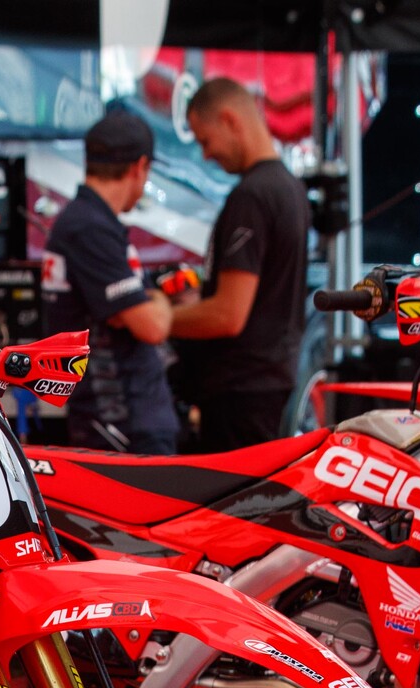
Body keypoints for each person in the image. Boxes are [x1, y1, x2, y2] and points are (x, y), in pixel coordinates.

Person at [171, 77, 309, 452]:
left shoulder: (253, 196)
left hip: (241, 390)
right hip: (267, 380)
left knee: (233, 507)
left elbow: (229, 314)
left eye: (204, 140)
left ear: (230, 121)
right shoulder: (290, 189)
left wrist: (159, 318)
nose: (206, 155)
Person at [41, 104, 176, 454]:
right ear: (139, 167)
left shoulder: (94, 222)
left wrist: (144, 302)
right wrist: (157, 298)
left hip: (125, 416)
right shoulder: (89, 228)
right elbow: (151, 326)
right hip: (120, 421)